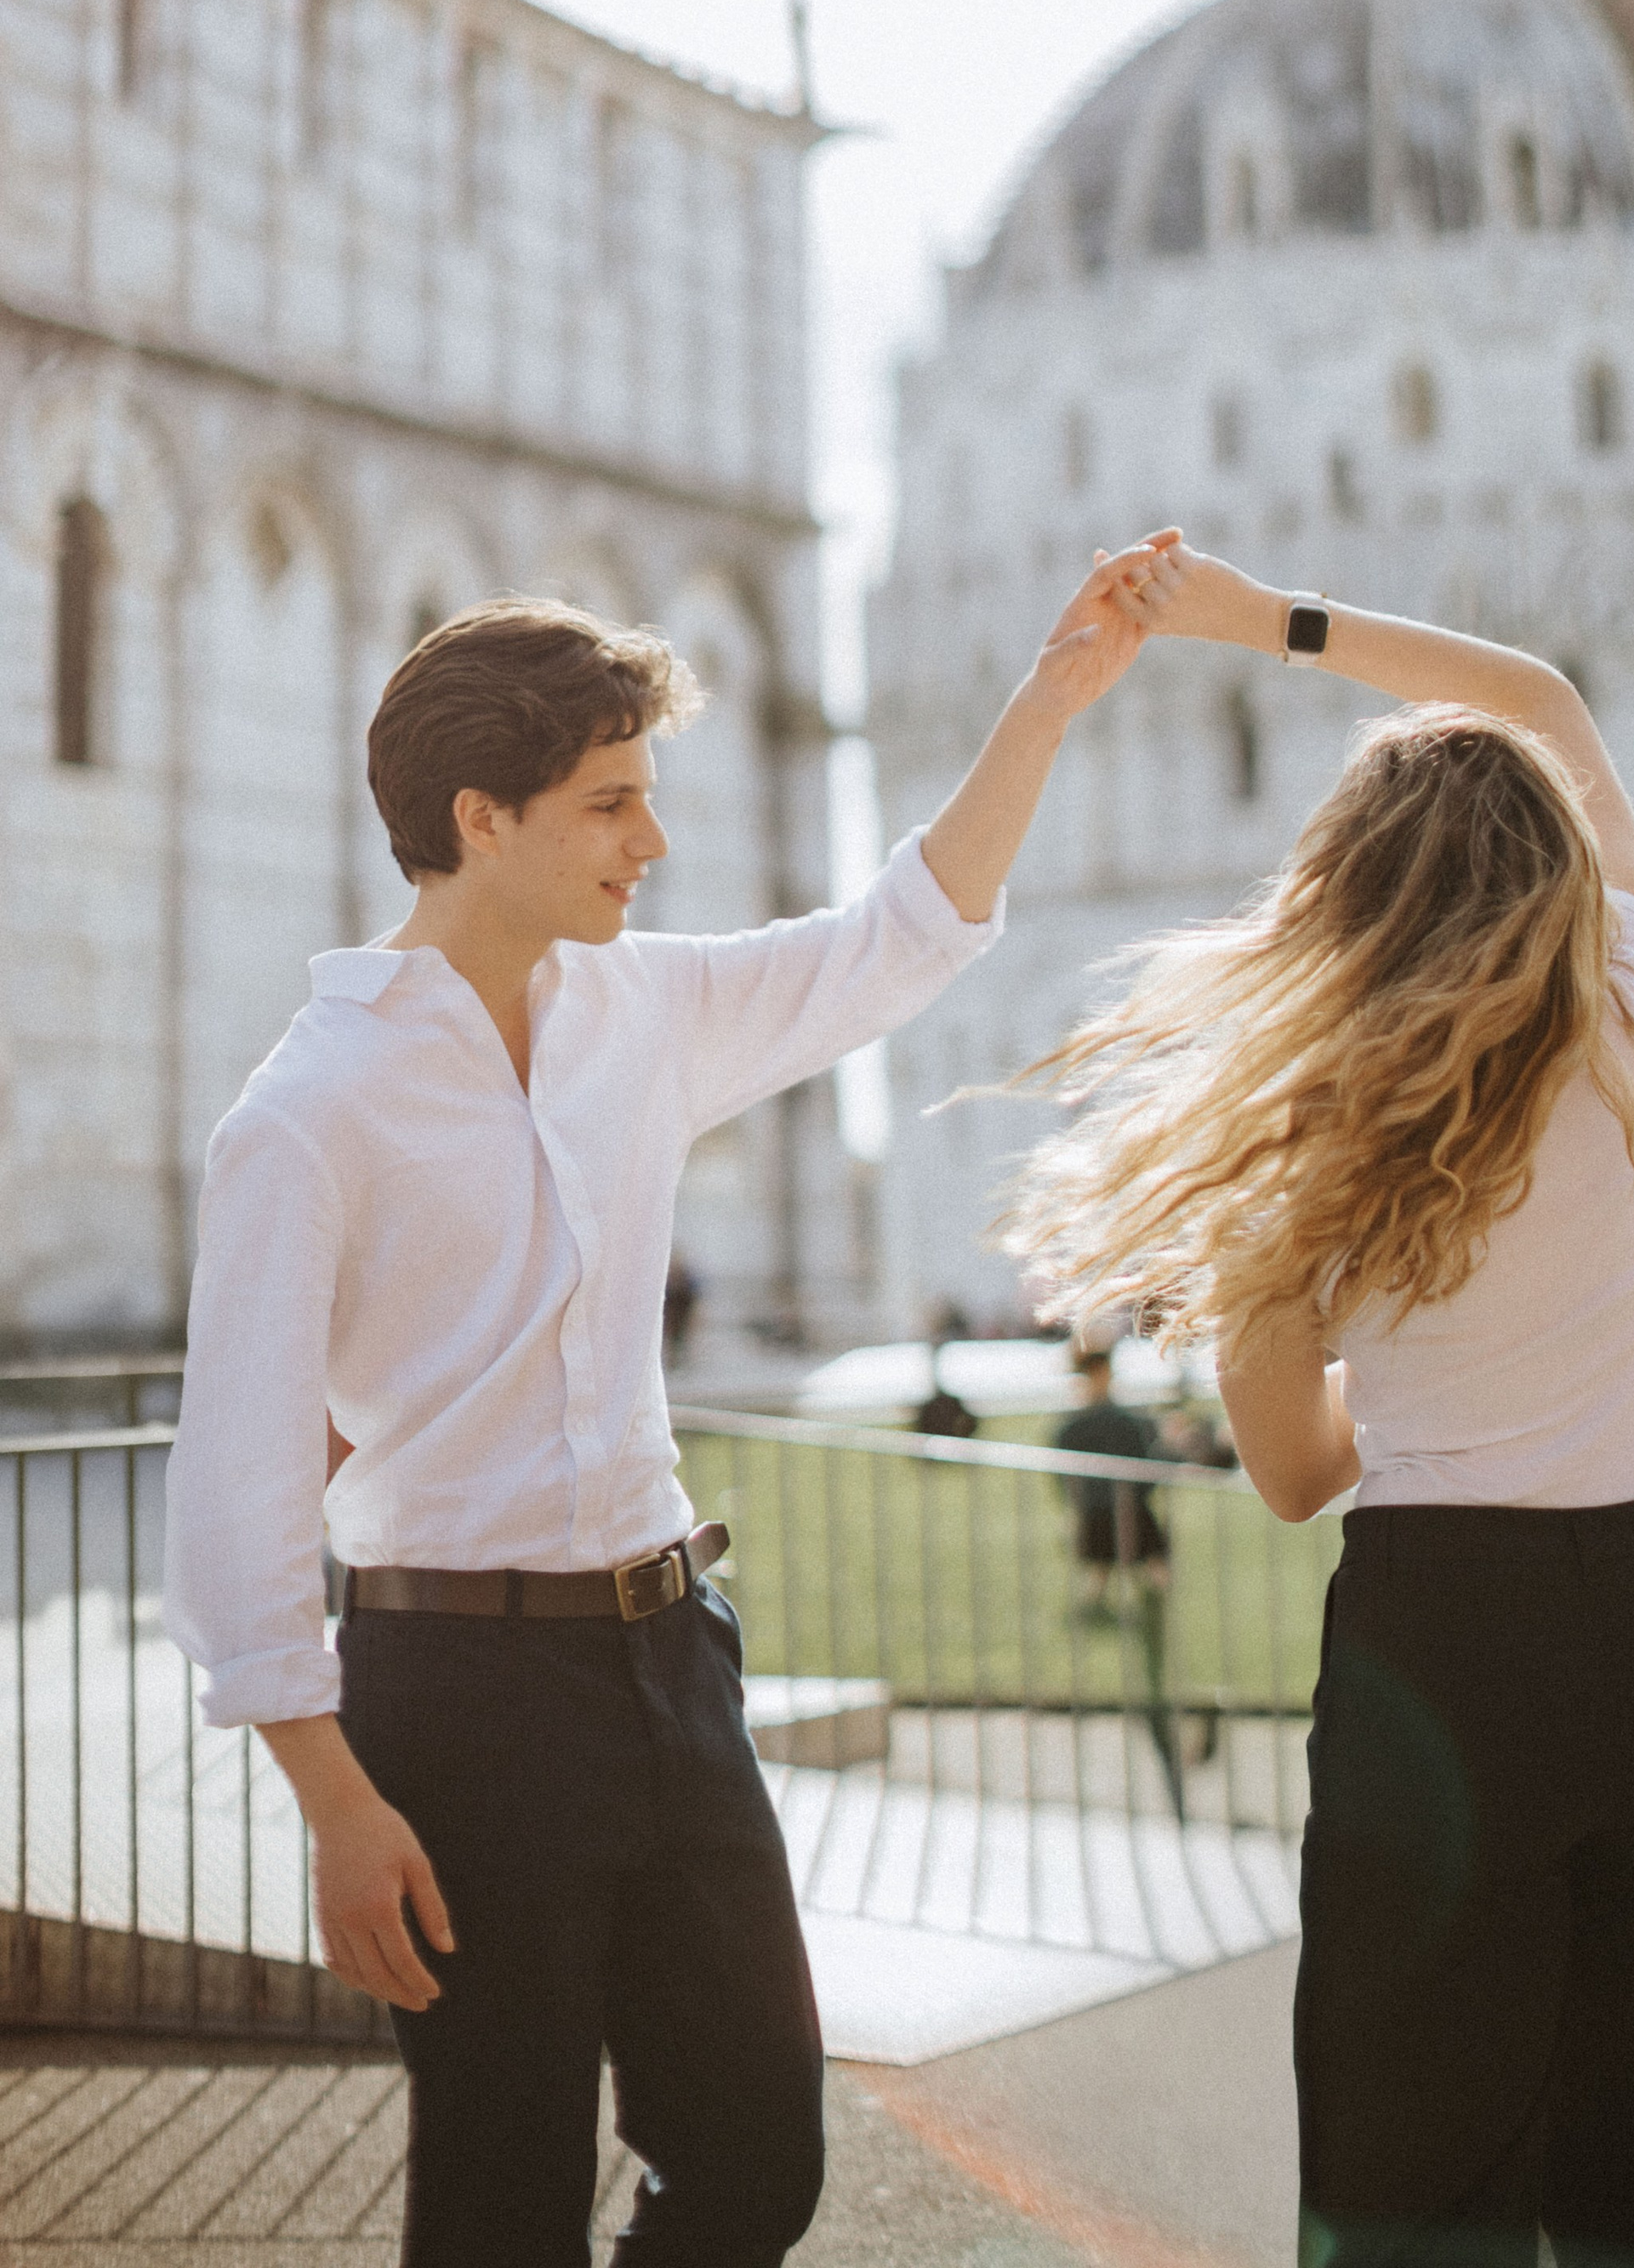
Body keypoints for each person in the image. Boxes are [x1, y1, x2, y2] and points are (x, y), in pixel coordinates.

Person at [163, 544, 1173, 2268]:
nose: (654, 841)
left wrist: (1051, 698)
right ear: (483, 817)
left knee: (759, 2160)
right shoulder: (304, 1116)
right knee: (498, 2200)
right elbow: (234, 1498)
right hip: (456, 1700)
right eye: (613, 802)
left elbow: (896, 941)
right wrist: (333, 1803)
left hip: (670, 1658)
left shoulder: (644, 1008)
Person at [1005, 541, 1634, 2268]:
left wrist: (1426, 1378)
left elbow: (1289, 1471)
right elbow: (1534, 698)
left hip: (1449, 1638)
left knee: (1411, 2175)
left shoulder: (1295, 1155)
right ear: (1556, 870)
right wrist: (1258, 616)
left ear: (1340, 902)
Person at [1051, 1342, 1169, 1610]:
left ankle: (1151, 1604)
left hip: (1128, 1504)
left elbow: (1144, 1461)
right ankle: (1096, 1611)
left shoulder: (1121, 1420)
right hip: (1100, 1508)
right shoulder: (1076, 1425)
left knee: (1151, 1564)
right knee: (1103, 1568)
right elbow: (1066, 1474)